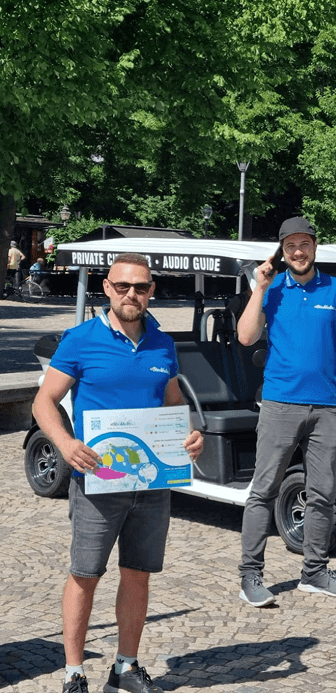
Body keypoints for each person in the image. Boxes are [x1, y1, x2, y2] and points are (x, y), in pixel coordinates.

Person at [31, 254, 204, 693]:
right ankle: (74, 672)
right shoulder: (80, 339)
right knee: (85, 574)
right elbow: (43, 403)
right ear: (107, 288)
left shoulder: (163, 344)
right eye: (123, 286)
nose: (132, 294)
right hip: (97, 480)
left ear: (151, 291)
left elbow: (169, 402)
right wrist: (67, 444)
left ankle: (124, 667)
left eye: (141, 287)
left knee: (138, 573)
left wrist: (189, 434)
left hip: (151, 481)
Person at [237, 216, 336, 605]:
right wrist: (259, 287)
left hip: (327, 407)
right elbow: (246, 335)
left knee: (323, 493)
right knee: (263, 491)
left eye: (304, 244)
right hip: (280, 404)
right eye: (290, 246)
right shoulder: (272, 289)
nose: (298, 252)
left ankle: (314, 572)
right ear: (282, 251)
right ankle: (250, 575)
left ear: (315, 247)